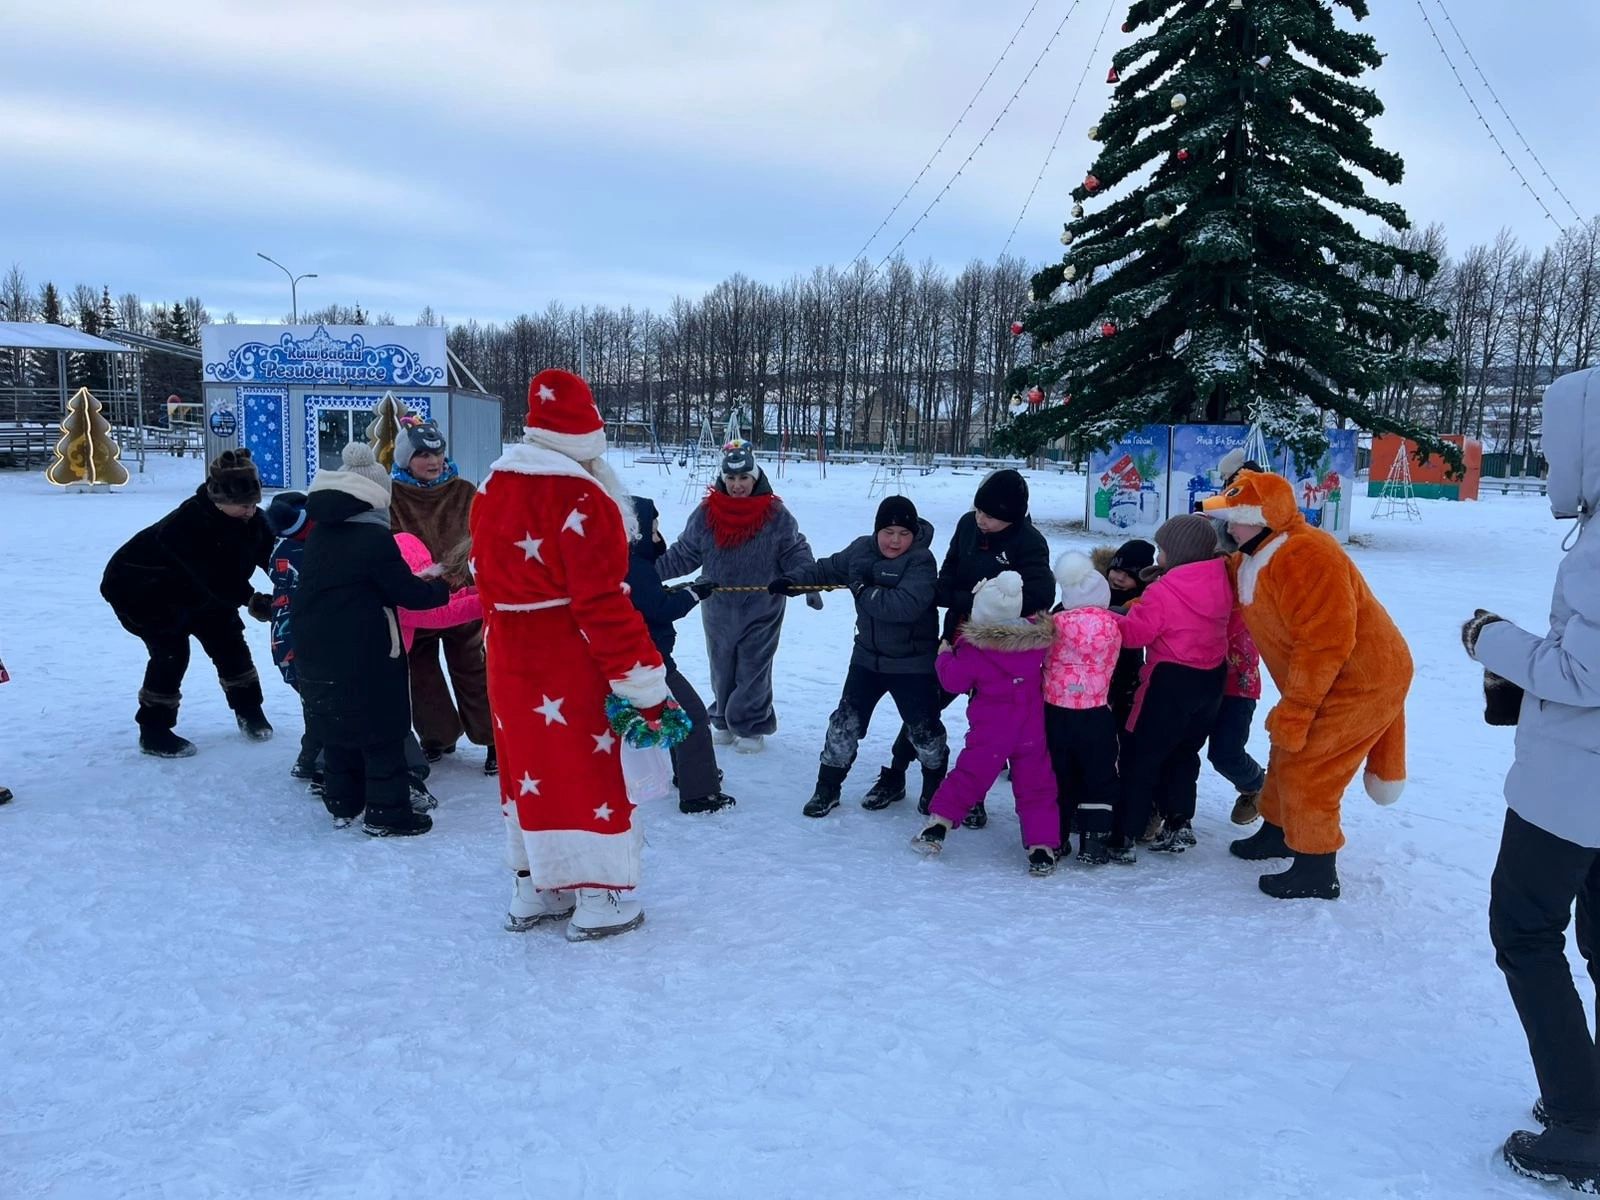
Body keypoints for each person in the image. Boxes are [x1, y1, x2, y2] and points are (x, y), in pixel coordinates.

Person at [471, 370, 686, 942]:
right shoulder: (583, 496)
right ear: (589, 438)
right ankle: (600, 898)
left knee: (529, 773)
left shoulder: (491, 486)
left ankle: (535, 888)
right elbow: (603, 605)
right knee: (589, 773)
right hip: (570, 662)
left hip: (508, 662)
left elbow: (482, 580)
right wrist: (642, 681)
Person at [1465, 366, 1600, 1189]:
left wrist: (1490, 637)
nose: (1552, 466)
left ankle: (1582, 1124)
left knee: (1524, 932)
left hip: (1573, 788)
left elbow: (1583, 673)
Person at [1202, 469, 1410, 900]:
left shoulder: (1308, 554)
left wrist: (1297, 708)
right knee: (1285, 752)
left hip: (1360, 679)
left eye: (1233, 517)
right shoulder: (1251, 555)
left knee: (1310, 767)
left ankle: (1316, 868)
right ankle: (1278, 831)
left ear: (1263, 518)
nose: (1226, 526)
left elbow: (1326, 641)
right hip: (1323, 679)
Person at [866, 469, 1053, 824]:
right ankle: (896, 771)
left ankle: (974, 796)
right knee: (924, 707)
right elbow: (946, 580)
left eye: (991, 516)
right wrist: (970, 598)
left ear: (1012, 517)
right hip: (958, 640)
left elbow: (1041, 597)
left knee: (989, 729)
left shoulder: (1030, 542)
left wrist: (993, 604)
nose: (981, 519)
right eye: (979, 510)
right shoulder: (969, 525)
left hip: (1001, 651)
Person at [293, 443, 450, 836]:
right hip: (366, 652)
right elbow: (407, 593)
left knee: (340, 731)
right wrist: (440, 587)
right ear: (374, 499)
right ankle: (386, 814)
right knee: (382, 733)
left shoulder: (321, 534)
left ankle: (343, 805)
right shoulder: (372, 539)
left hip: (317, 650)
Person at [770, 495, 948, 818]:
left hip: (912, 663)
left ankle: (934, 783)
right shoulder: (861, 550)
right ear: (877, 530)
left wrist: (862, 590)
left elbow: (903, 607)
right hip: (867, 658)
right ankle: (827, 787)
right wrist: (794, 581)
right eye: (888, 531)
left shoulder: (921, 562)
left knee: (925, 732)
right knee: (844, 724)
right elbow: (828, 568)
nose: (895, 540)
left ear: (913, 535)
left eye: (903, 533)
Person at [100, 449, 275, 757]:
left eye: (254, 503)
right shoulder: (186, 525)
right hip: (142, 588)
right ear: (219, 500)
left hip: (199, 592)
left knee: (230, 643)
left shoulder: (254, 521)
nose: (251, 511)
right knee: (171, 652)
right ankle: (154, 730)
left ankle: (249, 710)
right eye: (243, 505)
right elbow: (215, 577)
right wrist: (253, 600)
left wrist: (294, 579)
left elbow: (271, 556)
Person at [657, 439, 819, 754]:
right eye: (731, 479)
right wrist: (647, 575)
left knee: (754, 666)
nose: (737, 485)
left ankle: (750, 723)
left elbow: (794, 549)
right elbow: (685, 552)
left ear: (755, 478)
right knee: (722, 665)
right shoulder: (707, 513)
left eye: (743, 478)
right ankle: (723, 718)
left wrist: (808, 581)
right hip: (717, 606)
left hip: (762, 605)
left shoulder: (775, 514)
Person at [912, 572, 1059, 875]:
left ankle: (938, 825)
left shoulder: (974, 648)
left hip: (991, 730)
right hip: (1030, 728)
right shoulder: (1035, 642)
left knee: (969, 776)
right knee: (1036, 785)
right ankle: (1042, 847)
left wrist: (943, 657)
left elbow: (953, 681)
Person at [1109, 514, 1232, 862]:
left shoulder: (1165, 590)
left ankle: (1125, 835)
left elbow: (1136, 634)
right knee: (1183, 752)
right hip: (1211, 680)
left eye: (1162, 550)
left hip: (1169, 681)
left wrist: (1109, 616)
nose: (1158, 557)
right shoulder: (1223, 577)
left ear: (1177, 553)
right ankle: (1179, 822)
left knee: (1139, 755)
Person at [389, 416, 496, 775]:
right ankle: (437, 736)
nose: (432, 460)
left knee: (474, 668)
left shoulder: (464, 490)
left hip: (463, 597)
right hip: (416, 601)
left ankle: (493, 737)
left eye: (437, 452)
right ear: (406, 458)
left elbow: (486, 533)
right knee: (421, 674)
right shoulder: (391, 496)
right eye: (422, 454)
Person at [625, 496, 735, 815]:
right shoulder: (637, 567)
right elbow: (658, 609)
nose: (660, 537)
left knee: (677, 718)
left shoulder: (625, 563)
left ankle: (691, 773)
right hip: (650, 662)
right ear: (637, 533)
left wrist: (683, 589)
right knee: (692, 717)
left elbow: (646, 600)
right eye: (654, 530)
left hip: (642, 659)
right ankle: (699, 793)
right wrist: (692, 594)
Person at [1043, 552, 1123, 865]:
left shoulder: (1055, 624)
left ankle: (1057, 838)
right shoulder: (1113, 626)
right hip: (1096, 713)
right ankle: (1094, 841)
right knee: (1099, 776)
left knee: (1058, 776)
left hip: (1056, 713)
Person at [1094, 538, 1156, 734]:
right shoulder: (1092, 590)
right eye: (1117, 570)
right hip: (1091, 673)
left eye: (1128, 576)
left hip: (1125, 675)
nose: (1119, 578)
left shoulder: (1142, 603)